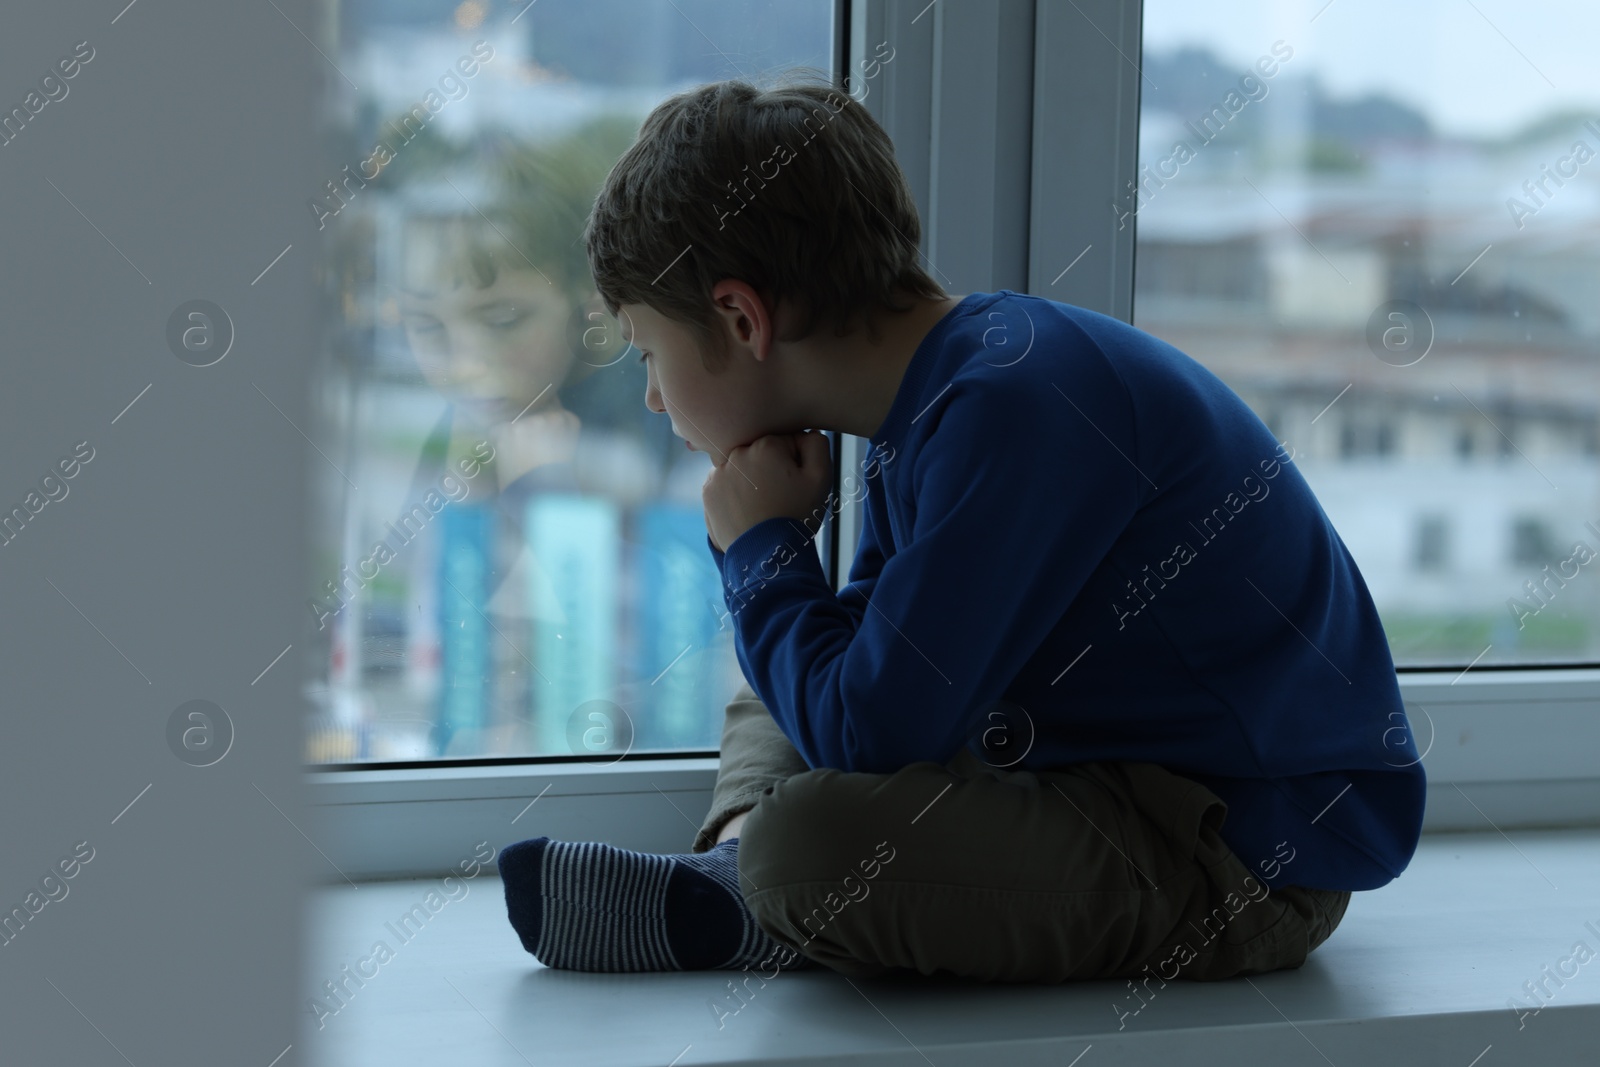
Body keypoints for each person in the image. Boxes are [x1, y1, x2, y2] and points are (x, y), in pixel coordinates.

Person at [497, 68, 1427, 986]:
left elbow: (869, 738)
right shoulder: (947, 394)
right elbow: (864, 682)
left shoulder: (1015, 408)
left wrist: (760, 547)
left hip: (1240, 849)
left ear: (741, 319)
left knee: (804, 826)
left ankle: (758, 885)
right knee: (785, 660)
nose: (656, 397)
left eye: (650, 353)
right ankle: (740, 876)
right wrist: (772, 570)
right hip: (1082, 767)